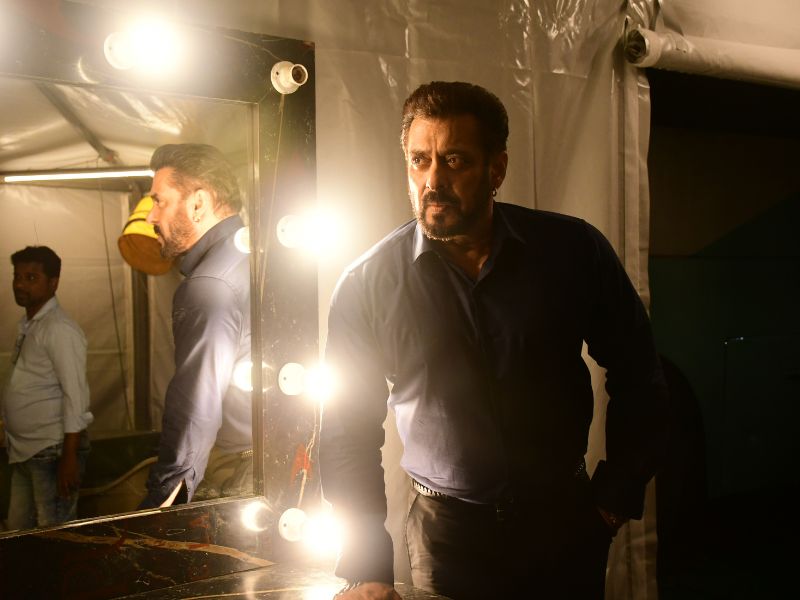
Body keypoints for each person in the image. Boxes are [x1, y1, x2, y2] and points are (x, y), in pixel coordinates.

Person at [319, 81, 670, 600]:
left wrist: (613, 500)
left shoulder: (573, 251)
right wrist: (366, 565)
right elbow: (346, 428)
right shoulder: (368, 283)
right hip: (447, 539)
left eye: (455, 160)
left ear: (496, 169)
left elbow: (640, 374)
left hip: (564, 526)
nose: (432, 181)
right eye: (419, 160)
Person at [139, 143, 252, 509]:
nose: (150, 216)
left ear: (199, 203)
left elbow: (194, 411)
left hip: (240, 472)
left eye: (160, 201)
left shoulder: (209, 285)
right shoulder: (253, 257)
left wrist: (160, 507)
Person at [2, 245, 93, 529]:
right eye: (17, 277)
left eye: (31, 278)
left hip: (51, 451)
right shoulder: (30, 324)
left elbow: (76, 396)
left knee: (53, 535)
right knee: (18, 532)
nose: (20, 284)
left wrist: (69, 458)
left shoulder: (59, 328)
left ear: (53, 283)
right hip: (25, 451)